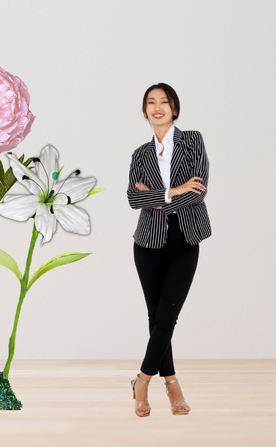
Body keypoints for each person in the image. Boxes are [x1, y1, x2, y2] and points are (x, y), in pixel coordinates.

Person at [126, 83, 211, 417]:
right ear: (145, 111)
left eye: (164, 101)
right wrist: (174, 190)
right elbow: (134, 199)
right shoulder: (140, 155)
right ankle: (171, 379)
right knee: (156, 317)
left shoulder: (192, 140)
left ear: (174, 108)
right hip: (148, 243)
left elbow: (199, 191)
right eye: (151, 102)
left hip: (185, 241)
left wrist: (157, 196)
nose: (157, 107)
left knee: (167, 316)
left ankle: (143, 380)